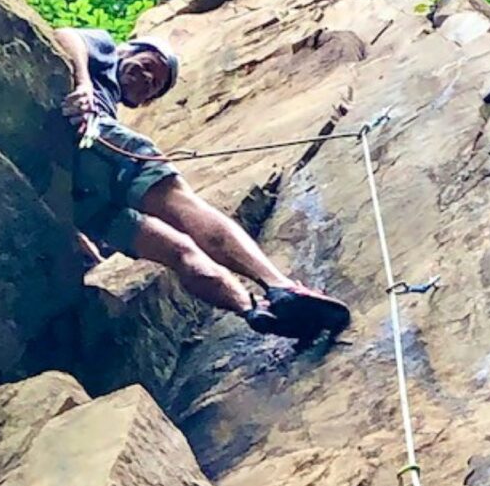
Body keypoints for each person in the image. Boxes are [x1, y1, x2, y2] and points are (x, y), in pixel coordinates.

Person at [56, 27, 350, 340]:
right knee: (182, 203)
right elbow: (65, 35)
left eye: (152, 85)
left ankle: (252, 309)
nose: (146, 78)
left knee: (179, 249)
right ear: (127, 48)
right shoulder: (102, 48)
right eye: (147, 64)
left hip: (79, 195)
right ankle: (280, 286)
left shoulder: (112, 98)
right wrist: (85, 84)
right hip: (94, 135)